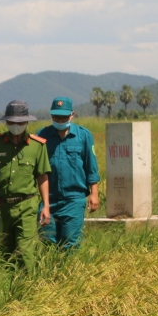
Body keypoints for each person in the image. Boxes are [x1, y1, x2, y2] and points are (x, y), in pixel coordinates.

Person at [0, 100, 51, 269]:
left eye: (20, 122)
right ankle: (5, 290)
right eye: (12, 122)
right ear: (7, 122)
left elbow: (42, 176)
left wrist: (46, 205)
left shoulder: (37, 146)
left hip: (26, 205)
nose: (16, 126)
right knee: (3, 252)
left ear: (27, 122)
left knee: (25, 251)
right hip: (2, 207)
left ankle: (27, 290)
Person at [36, 97, 100, 250]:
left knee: (70, 242)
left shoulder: (83, 136)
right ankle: (50, 272)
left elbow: (91, 166)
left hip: (74, 198)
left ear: (72, 114)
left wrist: (94, 193)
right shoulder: (41, 136)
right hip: (48, 199)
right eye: (56, 117)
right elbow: (37, 169)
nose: (59, 120)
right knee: (47, 241)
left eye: (63, 117)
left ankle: (69, 272)